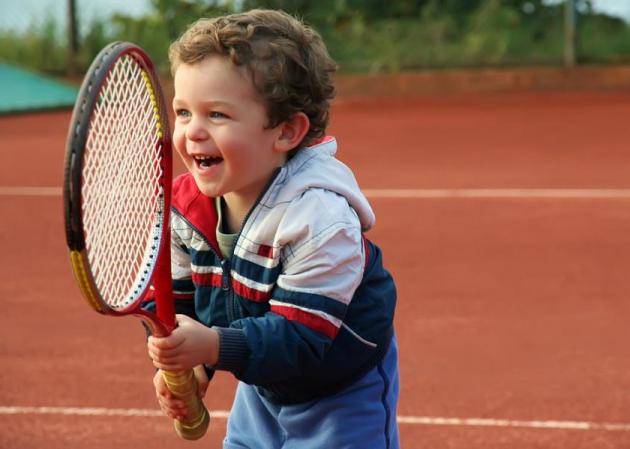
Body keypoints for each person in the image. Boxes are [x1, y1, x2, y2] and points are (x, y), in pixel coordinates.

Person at [145, 8, 399, 448]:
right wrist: (190, 365)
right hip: (262, 383)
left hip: (341, 389)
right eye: (183, 112)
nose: (193, 132)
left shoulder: (320, 221)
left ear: (286, 132)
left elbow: (300, 339)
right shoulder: (186, 209)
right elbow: (179, 303)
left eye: (217, 115)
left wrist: (211, 346)